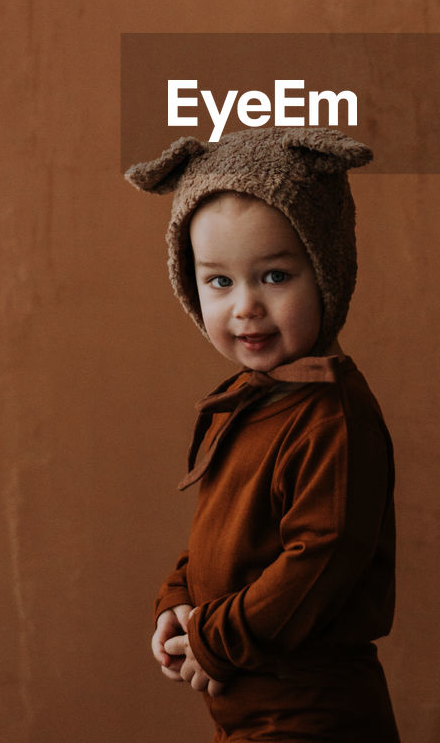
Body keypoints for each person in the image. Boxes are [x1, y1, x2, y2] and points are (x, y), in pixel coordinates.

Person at [125, 127, 400, 742]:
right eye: (219, 282)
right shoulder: (251, 405)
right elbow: (228, 536)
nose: (244, 306)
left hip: (311, 715)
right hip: (247, 710)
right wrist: (179, 598)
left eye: (274, 276)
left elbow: (320, 561)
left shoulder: (333, 416)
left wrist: (213, 639)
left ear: (327, 269)